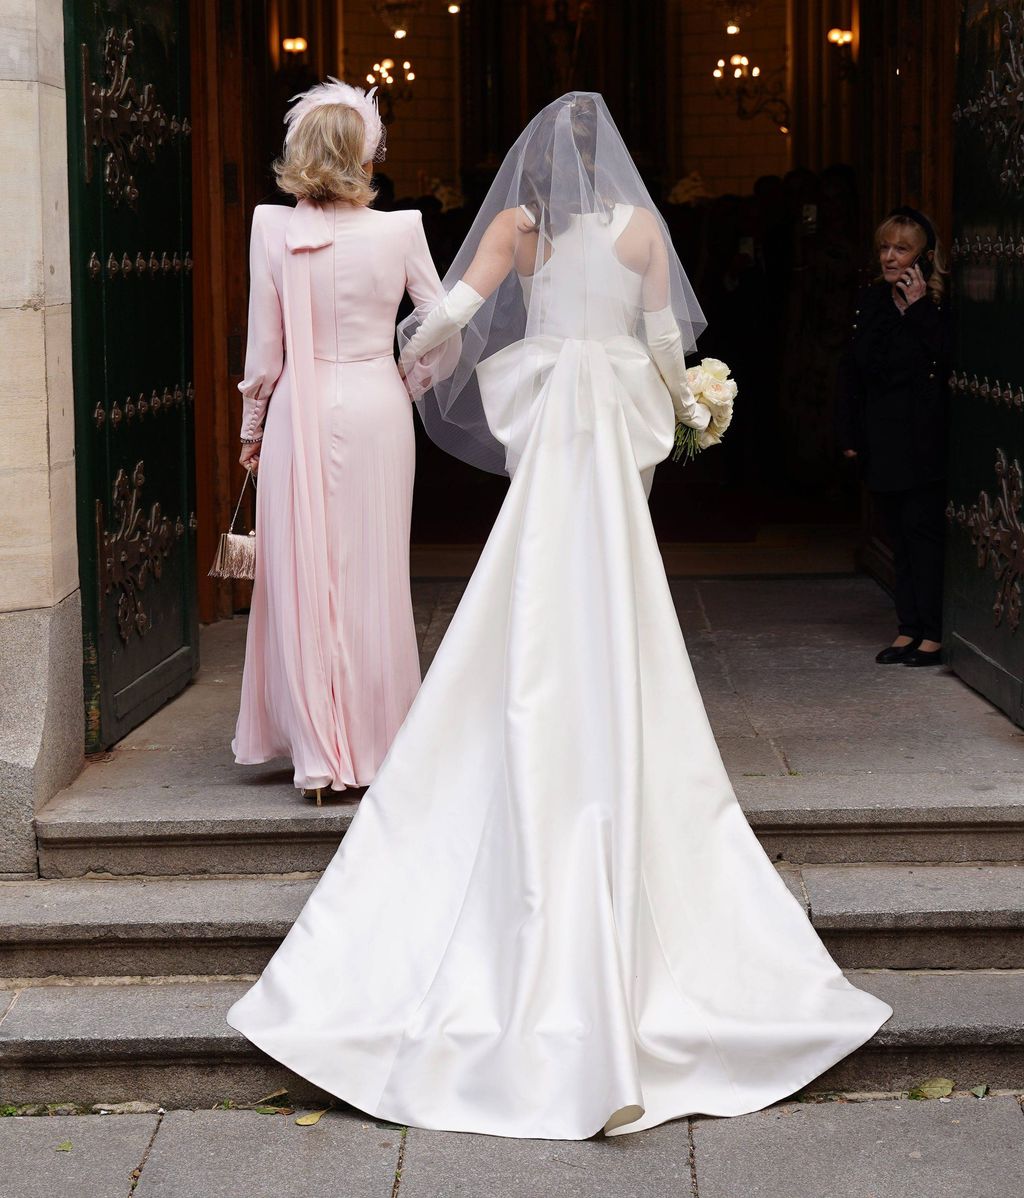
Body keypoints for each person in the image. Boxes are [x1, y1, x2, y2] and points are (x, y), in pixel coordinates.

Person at [228, 93, 891, 1139]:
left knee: (523, 582)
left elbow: (451, 314)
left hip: (549, 426)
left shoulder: (515, 232)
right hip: (611, 419)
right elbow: (668, 341)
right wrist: (691, 411)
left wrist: (398, 356)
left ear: (534, 169)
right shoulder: (640, 231)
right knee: (618, 585)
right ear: (612, 167)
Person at [231, 81, 449, 797]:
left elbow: (265, 349)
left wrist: (251, 430)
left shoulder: (271, 226)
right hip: (376, 402)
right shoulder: (403, 228)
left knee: (301, 571)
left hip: (301, 401)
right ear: (364, 152)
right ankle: (376, 741)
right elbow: (441, 326)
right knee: (373, 569)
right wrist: (405, 380)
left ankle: (317, 755)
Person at [837, 206, 951, 667]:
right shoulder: (871, 301)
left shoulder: (940, 304)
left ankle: (932, 633)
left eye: (901, 249)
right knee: (898, 538)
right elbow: (852, 372)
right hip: (881, 437)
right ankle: (907, 628)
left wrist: (920, 309)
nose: (889, 257)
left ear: (923, 258)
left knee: (923, 535)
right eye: (885, 247)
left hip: (923, 439)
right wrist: (847, 431)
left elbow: (946, 356)